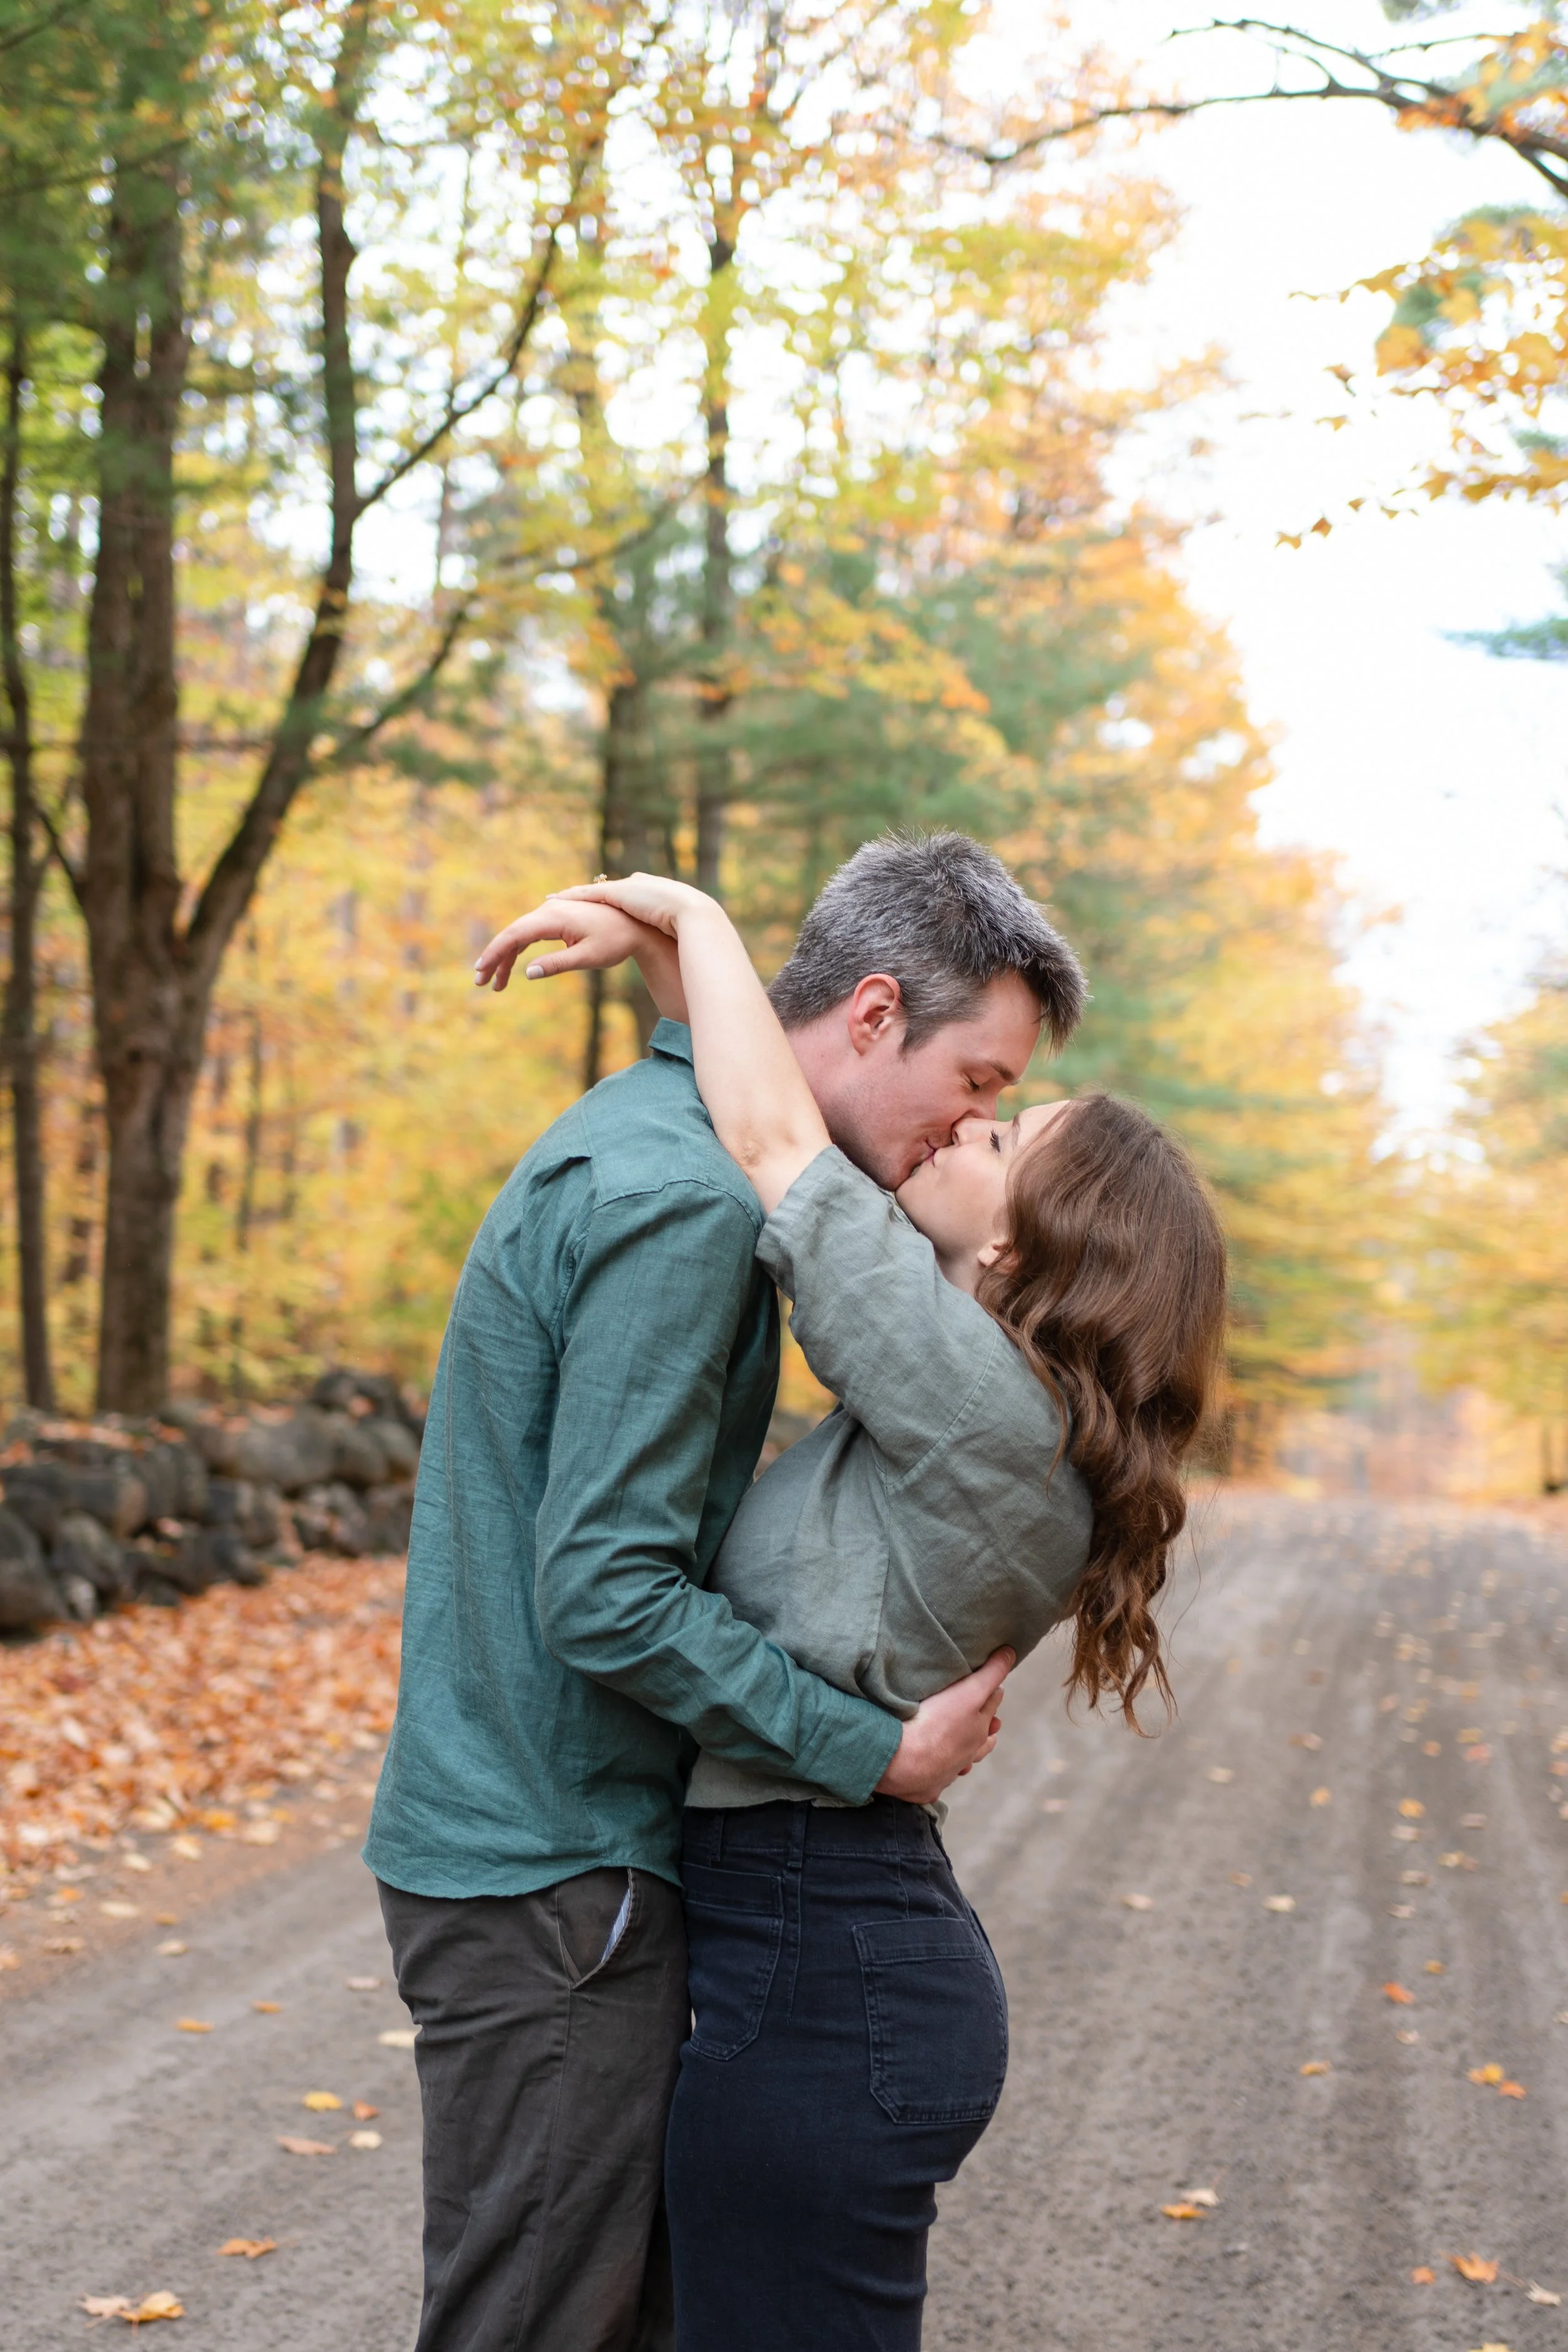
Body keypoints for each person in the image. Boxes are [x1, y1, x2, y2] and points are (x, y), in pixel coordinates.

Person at [365, 833, 1088, 2352]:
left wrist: (677, 949)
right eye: (977, 1080)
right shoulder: (692, 1203)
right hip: (559, 1866)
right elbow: (610, 1589)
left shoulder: (649, 1135)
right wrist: (863, 1749)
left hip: (548, 1851)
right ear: (874, 1012)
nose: (973, 1121)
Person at [494, 866, 1228, 2352]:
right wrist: (667, 985)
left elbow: (775, 1138)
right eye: (983, 1096)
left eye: (1002, 1132)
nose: (966, 1121)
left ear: (1022, 1247)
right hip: (825, 1955)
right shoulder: (962, 1384)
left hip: (824, 1973)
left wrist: (692, 919)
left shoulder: (982, 1411)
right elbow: (795, 1107)